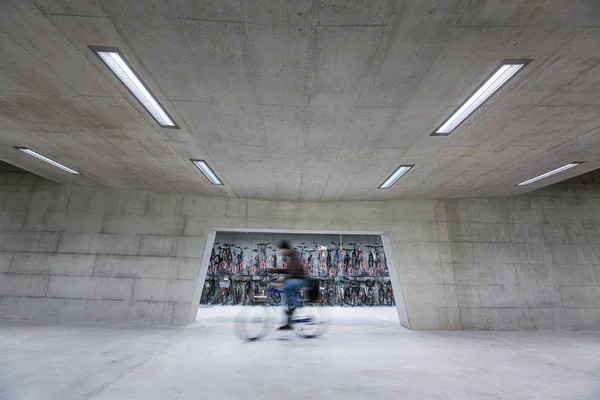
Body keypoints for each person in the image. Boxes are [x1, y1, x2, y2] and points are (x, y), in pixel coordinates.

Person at [268, 240, 307, 330]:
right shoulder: (291, 256)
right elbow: (288, 271)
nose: (281, 252)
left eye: (282, 249)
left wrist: (280, 282)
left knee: (286, 286)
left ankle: (292, 307)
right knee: (286, 288)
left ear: (285, 249)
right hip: (297, 279)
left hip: (301, 280)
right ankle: (289, 320)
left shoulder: (294, 257)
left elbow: (293, 273)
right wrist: (273, 270)